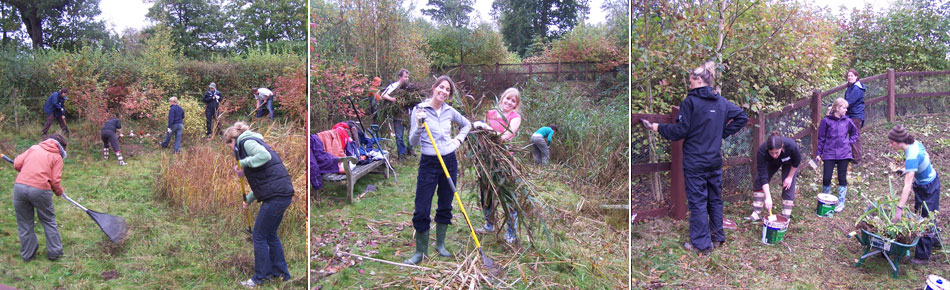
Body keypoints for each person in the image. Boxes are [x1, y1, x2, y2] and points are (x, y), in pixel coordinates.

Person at [640, 61, 748, 254]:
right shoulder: (721, 102)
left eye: (690, 81)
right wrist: (721, 132)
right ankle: (717, 237)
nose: (689, 85)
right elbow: (742, 117)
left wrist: (656, 127)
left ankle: (702, 245)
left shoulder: (690, 102)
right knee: (714, 199)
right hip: (714, 160)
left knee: (698, 201)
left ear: (698, 80)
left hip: (695, 162)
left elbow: (680, 131)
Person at [404, 75, 471, 265]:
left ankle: (440, 244)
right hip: (429, 162)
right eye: (441, 87)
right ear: (433, 88)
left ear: (449, 94)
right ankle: (420, 251)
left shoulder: (450, 111)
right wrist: (418, 126)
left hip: (449, 160)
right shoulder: (420, 110)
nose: (443, 91)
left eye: (447, 90)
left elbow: (467, 125)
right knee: (422, 206)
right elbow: (412, 142)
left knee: (445, 203)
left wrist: (457, 141)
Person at [225, 122, 295, 287]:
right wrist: (248, 199)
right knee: (270, 234)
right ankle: (281, 274)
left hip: (277, 196)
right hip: (281, 193)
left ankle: (261, 277)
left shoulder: (246, 142)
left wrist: (243, 163)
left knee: (259, 235)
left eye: (229, 146)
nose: (231, 151)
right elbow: (266, 180)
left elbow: (265, 156)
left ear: (232, 140)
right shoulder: (254, 142)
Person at [473, 87, 523, 243]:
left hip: (504, 161)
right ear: (502, 98)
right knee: (486, 194)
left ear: (516, 104)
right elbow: (482, 136)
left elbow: (507, 135)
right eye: (507, 98)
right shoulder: (490, 114)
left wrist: (489, 131)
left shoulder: (515, 117)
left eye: (513, 101)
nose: (509, 102)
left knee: (506, 195)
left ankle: (511, 232)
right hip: (487, 160)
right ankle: (489, 224)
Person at [888, 124, 940, 265]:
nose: (890, 145)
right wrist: (906, 170)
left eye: (892, 142)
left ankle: (923, 257)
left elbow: (907, 185)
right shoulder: (914, 144)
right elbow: (920, 161)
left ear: (899, 141)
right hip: (924, 183)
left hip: (928, 187)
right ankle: (935, 241)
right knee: (923, 213)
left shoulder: (911, 154)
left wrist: (899, 209)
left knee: (926, 220)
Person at [12, 134, 68, 262]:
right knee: (48, 220)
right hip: (40, 190)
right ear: (61, 147)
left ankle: (28, 255)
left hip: (20, 187)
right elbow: (55, 182)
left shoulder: (34, 148)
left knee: (24, 223)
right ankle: (55, 252)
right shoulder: (57, 157)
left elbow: (16, 164)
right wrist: (59, 192)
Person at [745, 131, 801, 221]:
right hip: (772, 163)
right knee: (759, 181)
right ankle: (756, 213)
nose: (774, 155)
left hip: (789, 163)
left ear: (782, 147)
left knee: (788, 186)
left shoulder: (791, 146)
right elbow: (763, 176)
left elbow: (796, 161)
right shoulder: (762, 151)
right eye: (772, 153)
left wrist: (789, 177)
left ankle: (785, 217)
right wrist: (768, 197)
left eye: (777, 152)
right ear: (767, 149)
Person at [817, 98, 858, 213]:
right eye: (844, 108)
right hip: (829, 153)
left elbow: (855, 133)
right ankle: (825, 200)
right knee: (826, 178)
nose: (846, 110)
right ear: (837, 108)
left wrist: (849, 142)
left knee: (842, 178)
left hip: (844, 154)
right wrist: (818, 153)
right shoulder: (826, 121)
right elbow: (821, 138)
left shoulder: (848, 121)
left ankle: (841, 203)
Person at [380, 69, 415, 158]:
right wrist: (392, 99)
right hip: (398, 115)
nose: (407, 79)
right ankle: (401, 154)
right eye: (405, 77)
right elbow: (383, 94)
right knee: (399, 136)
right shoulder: (394, 86)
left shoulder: (409, 87)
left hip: (409, 115)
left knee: (412, 133)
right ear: (400, 77)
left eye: (408, 77)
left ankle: (410, 149)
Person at [843, 69, 866, 164]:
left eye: (852, 75)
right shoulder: (852, 87)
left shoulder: (856, 88)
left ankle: (857, 159)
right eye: (848, 76)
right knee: (853, 135)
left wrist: (838, 106)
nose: (850, 77)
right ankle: (853, 156)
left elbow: (849, 101)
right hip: (852, 114)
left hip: (855, 115)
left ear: (856, 77)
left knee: (855, 136)